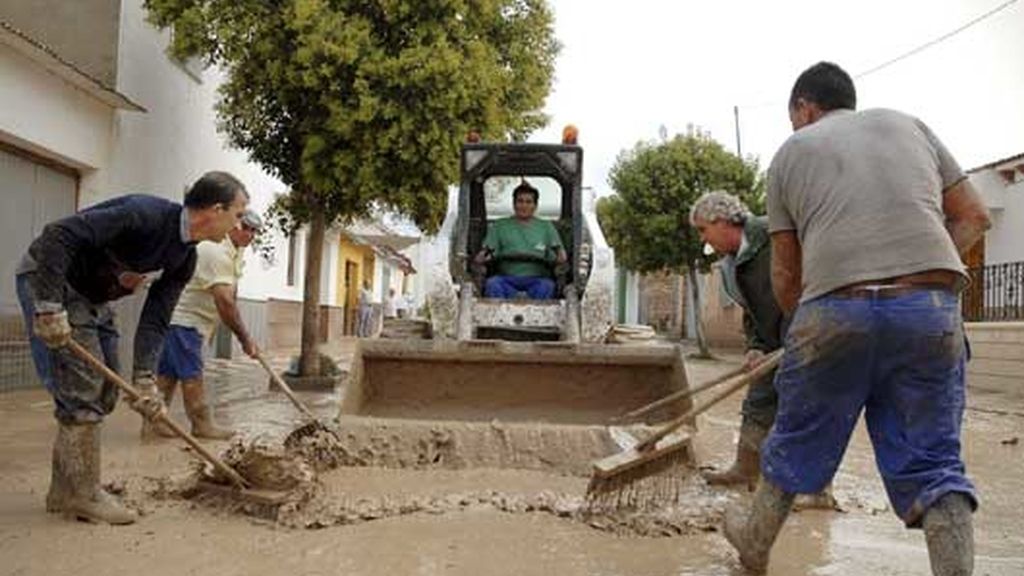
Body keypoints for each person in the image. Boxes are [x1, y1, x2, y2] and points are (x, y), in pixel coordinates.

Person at [723, 62, 990, 575]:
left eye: (794, 116)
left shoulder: (791, 153)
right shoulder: (911, 126)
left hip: (833, 308)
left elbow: (784, 272)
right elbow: (974, 216)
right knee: (937, 462)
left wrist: (809, 328)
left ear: (804, 108)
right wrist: (911, 277)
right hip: (928, 309)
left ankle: (755, 543)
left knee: (795, 434)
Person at [15, 171, 249, 525]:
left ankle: (64, 490)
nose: (239, 222)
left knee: (107, 391)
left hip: (93, 296)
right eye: (238, 212)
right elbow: (57, 235)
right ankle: (84, 494)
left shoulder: (184, 258)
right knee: (85, 388)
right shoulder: (145, 214)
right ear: (216, 210)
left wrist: (144, 379)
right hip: (51, 278)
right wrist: (47, 306)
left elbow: (156, 319)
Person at [150, 209, 263, 440]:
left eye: (254, 231)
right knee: (192, 375)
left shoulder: (234, 250)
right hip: (185, 321)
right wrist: (245, 339)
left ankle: (153, 423)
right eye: (246, 228)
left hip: (185, 320)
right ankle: (202, 424)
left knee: (168, 375)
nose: (250, 235)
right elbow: (225, 302)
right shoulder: (215, 252)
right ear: (233, 225)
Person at [475, 181, 567, 299]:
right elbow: (489, 251)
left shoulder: (546, 227)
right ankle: (501, 317)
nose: (524, 206)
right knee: (492, 284)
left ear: (535, 205)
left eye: (528, 202)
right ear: (514, 204)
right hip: (506, 279)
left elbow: (558, 255)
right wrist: (481, 257)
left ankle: (536, 317)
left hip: (537, 280)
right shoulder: (500, 226)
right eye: (520, 201)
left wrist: (561, 257)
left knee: (548, 286)